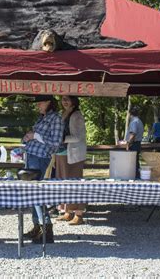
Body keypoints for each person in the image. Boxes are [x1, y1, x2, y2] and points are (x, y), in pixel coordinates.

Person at [23, 95, 63, 244]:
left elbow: (56, 143)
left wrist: (36, 135)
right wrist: (28, 137)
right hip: (32, 155)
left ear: (49, 103)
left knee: (36, 192)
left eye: (40, 102)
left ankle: (46, 229)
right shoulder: (42, 117)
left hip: (40, 157)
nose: (38, 105)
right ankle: (38, 226)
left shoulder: (56, 118)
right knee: (33, 193)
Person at [55, 96, 87, 225]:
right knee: (63, 184)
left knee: (74, 184)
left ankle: (79, 215)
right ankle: (67, 212)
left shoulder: (77, 115)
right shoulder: (63, 113)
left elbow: (78, 136)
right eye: (63, 99)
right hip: (61, 153)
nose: (65, 101)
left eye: (68, 99)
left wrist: (62, 139)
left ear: (74, 101)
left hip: (73, 155)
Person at [126, 106, 144, 179]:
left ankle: (135, 177)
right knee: (135, 162)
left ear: (130, 114)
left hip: (134, 144)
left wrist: (128, 144)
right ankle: (137, 176)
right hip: (137, 143)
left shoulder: (134, 121)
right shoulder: (139, 121)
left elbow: (133, 134)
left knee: (133, 162)